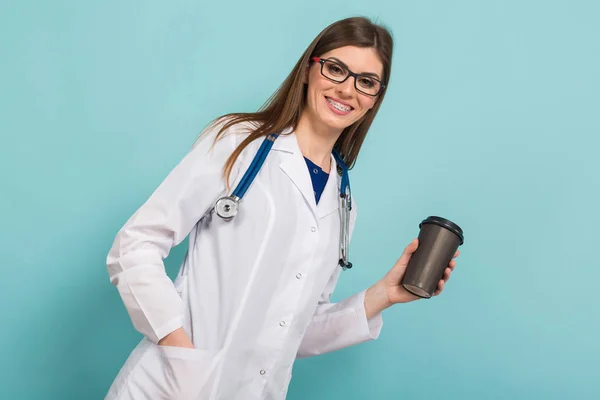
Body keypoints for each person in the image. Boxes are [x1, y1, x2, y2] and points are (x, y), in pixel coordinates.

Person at [104, 16, 460, 400]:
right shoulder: (237, 144)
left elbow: (293, 330)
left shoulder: (343, 202)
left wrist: (385, 294)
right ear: (310, 68)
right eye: (336, 69)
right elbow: (133, 247)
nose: (347, 90)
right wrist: (178, 350)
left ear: (375, 98)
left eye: (366, 82)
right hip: (170, 388)